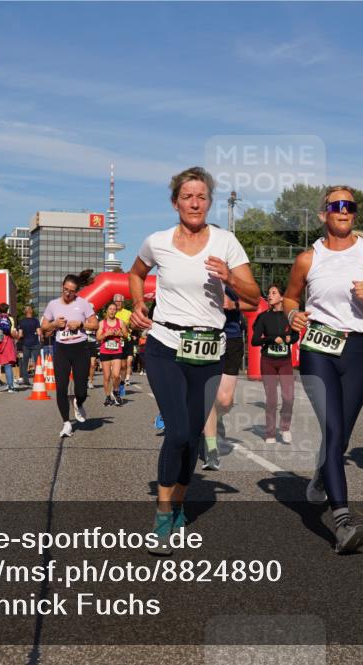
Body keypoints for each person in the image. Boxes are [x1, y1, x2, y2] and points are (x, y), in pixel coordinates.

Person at [129, 166, 260, 555]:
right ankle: (162, 514)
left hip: (208, 350)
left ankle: (179, 502)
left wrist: (230, 277)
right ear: (175, 203)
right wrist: (138, 303)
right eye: (187, 196)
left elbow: (253, 297)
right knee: (178, 432)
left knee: (192, 438)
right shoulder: (157, 242)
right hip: (165, 344)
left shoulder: (226, 242)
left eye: (201, 197)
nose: (195, 203)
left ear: (209, 202)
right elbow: (135, 273)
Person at [283, 185, 363, 554]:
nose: (344, 210)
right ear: (323, 214)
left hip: (359, 349)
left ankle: (323, 472)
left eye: (350, 205)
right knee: (333, 431)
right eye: (336, 205)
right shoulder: (308, 258)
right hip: (318, 348)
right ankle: (343, 522)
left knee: (343, 435)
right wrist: (292, 314)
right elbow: (290, 296)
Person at [201, 285, 254, 470]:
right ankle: (211, 450)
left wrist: (234, 304)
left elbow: (254, 302)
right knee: (208, 395)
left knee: (224, 401)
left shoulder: (234, 277)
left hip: (231, 338)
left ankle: (216, 419)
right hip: (204, 336)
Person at [41, 272, 99, 438]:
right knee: (61, 388)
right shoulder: (53, 304)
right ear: (62, 286)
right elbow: (44, 326)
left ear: (76, 292)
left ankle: (78, 402)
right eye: (65, 289)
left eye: (71, 291)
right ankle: (66, 423)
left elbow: (95, 325)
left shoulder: (83, 304)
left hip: (80, 348)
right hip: (62, 349)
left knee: (81, 390)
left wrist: (81, 324)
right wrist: (54, 324)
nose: (67, 293)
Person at [251, 284, 300, 446]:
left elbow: (295, 336)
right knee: (271, 399)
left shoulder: (289, 317)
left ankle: (285, 427)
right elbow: (255, 340)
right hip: (268, 361)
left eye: (274, 293)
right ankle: (270, 433)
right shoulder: (263, 317)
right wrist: (272, 339)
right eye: (269, 293)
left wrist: (290, 339)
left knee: (289, 397)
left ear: (281, 297)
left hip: (285, 362)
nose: (269, 295)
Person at [98, 301, 128, 406]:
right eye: (110, 309)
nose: (112, 311)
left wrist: (121, 334)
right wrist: (105, 334)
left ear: (116, 311)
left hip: (117, 351)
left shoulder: (121, 322)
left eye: (114, 309)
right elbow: (98, 338)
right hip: (105, 352)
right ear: (107, 311)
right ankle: (107, 397)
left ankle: (116, 392)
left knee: (116, 375)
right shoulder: (102, 323)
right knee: (107, 376)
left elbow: (126, 335)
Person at [112, 293, 135, 392]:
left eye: (120, 301)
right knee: (115, 365)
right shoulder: (110, 311)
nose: (118, 303)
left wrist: (130, 328)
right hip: (113, 341)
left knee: (124, 366)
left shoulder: (128, 313)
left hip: (125, 340)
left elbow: (133, 326)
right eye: (116, 301)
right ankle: (115, 387)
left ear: (123, 302)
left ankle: (121, 385)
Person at [15, 305, 41, 387]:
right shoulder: (36, 321)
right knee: (37, 362)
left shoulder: (22, 322)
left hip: (25, 344)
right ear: (31, 311)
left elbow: (20, 335)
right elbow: (39, 333)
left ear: (25, 312)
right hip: (35, 343)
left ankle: (26, 380)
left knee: (25, 362)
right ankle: (37, 379)